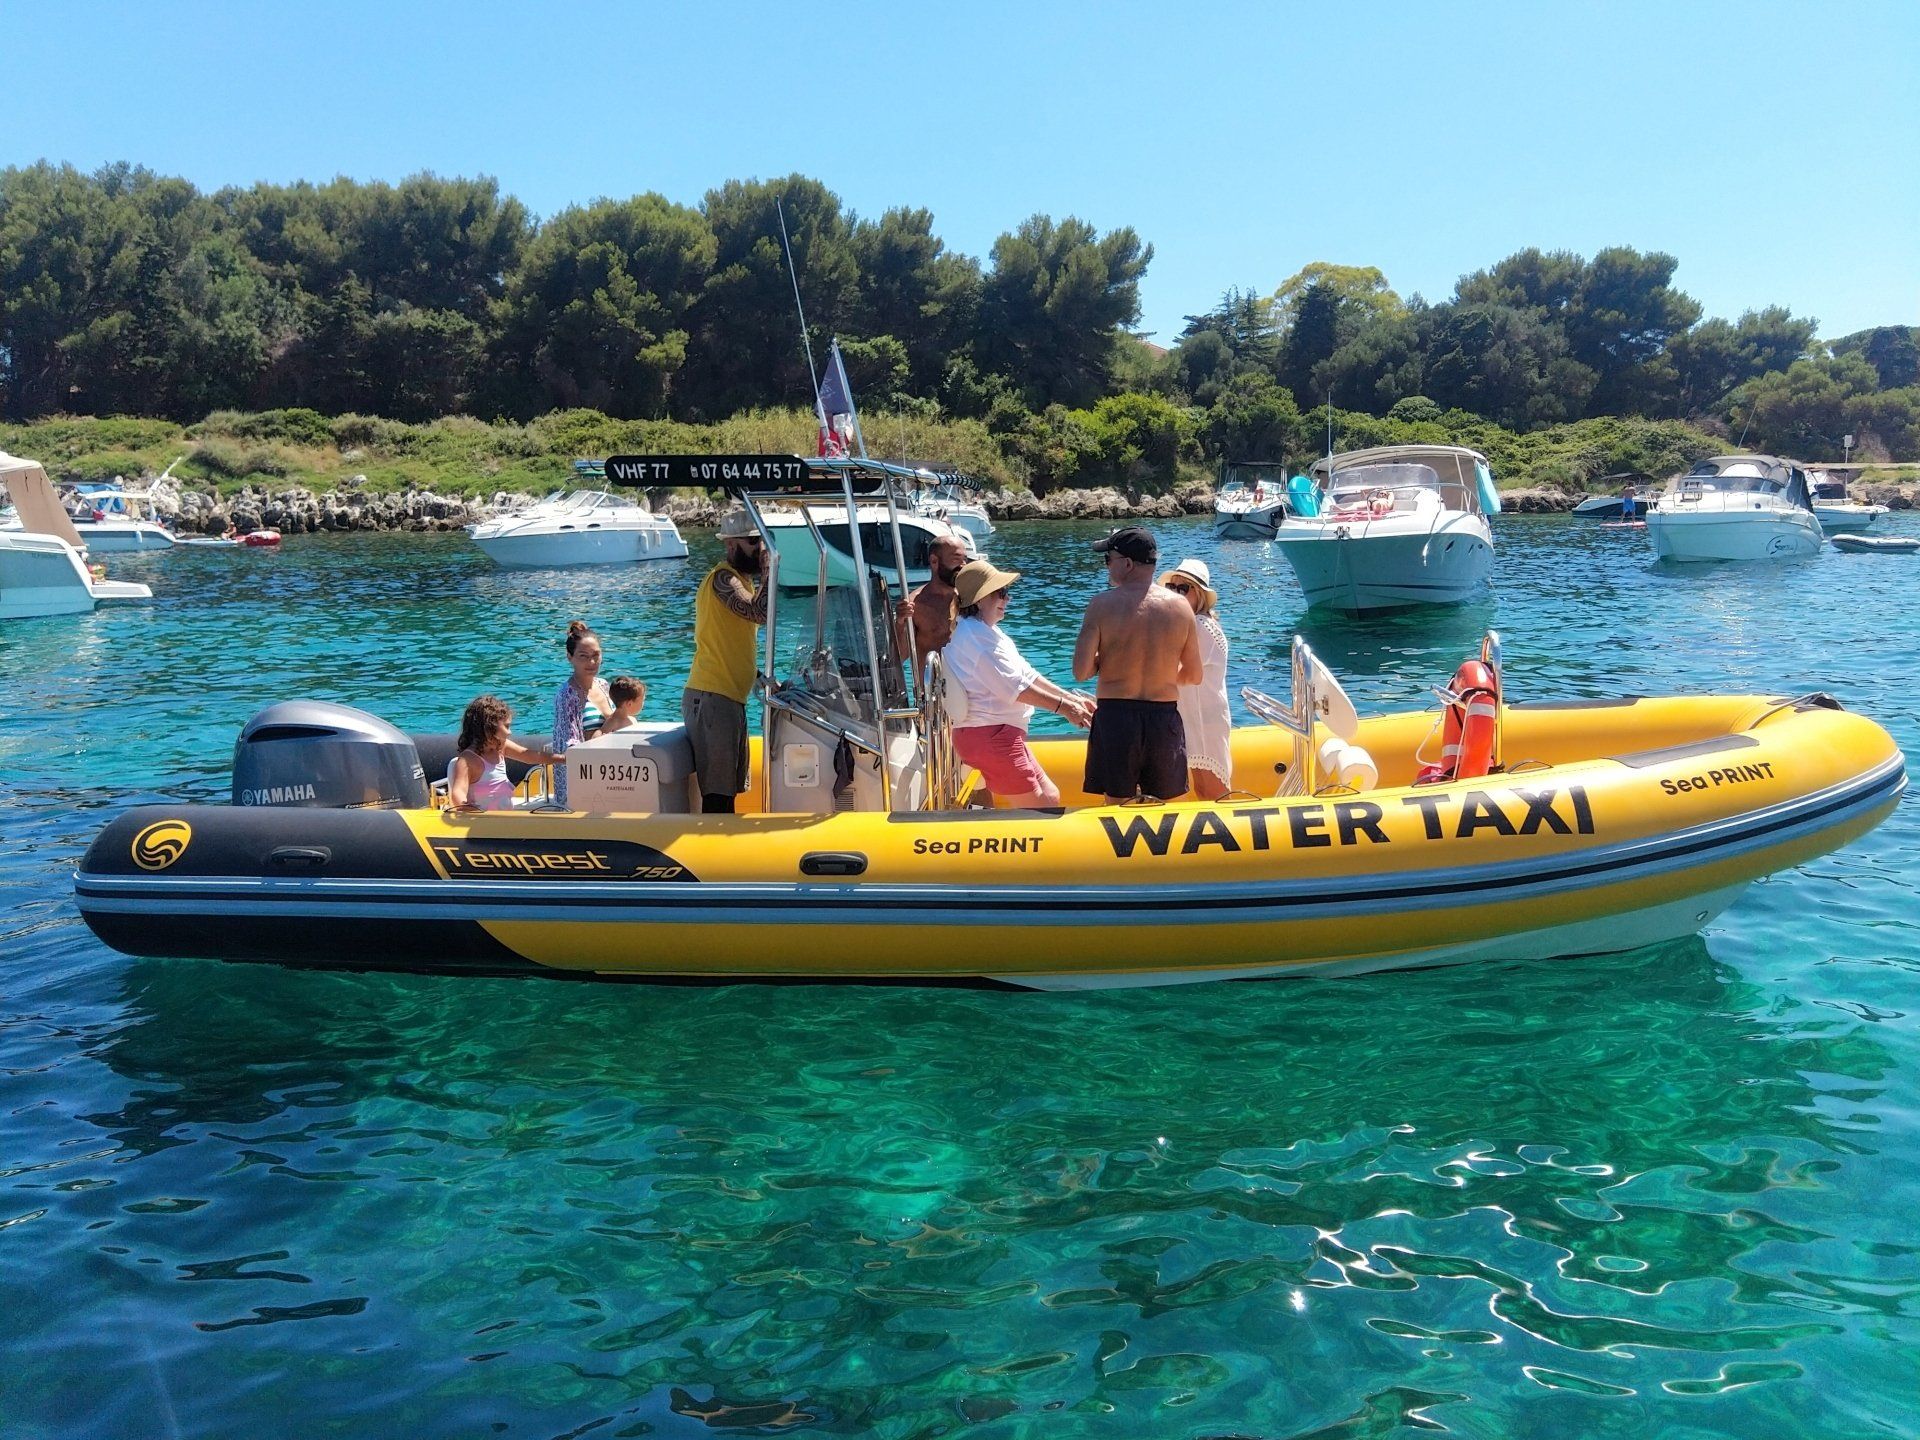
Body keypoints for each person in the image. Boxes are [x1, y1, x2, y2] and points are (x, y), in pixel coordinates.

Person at [942, 560, 1095, 808]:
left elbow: (1027, 675)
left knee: (1050, 797)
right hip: (991, 737)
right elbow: (1015, 687)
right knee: (1042, 807)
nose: (1007, 599)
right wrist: (1064, 709)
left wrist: (1071, 699)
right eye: (1000, 593)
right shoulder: (977, 636)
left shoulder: (982, 631)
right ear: (980, 599)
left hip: (996, 734)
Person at [1073, 527, 1201, 803]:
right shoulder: (1181, 608)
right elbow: (1194, 674)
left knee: (1117, 811)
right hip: (1163, 718)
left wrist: (1108, 659)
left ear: (1127, 563)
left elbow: (1081, 672)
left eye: (1109, 559)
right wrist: (1161, 671)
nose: (1106, 566)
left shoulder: (1101, 605)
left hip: (1116, 718)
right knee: (1169, 811)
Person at [683, 511, 768, 813]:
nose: (760, 549)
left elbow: (732, 638)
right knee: (719, 796)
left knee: (729, 789)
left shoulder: (742, 581)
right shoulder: (723, 579)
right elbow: (759, 613)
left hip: (728, 697)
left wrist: (759, 676)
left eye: (761, 542)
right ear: (732, 545)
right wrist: (771, 570)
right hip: (713, 697)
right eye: (754, 542)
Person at [1160, 558, 1232, 800]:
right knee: (1202, 786)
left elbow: (1182, 673)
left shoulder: (1202, 626)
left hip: (1206, 717)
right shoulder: (1185, 625)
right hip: (1192, 714)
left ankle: (1228, 833)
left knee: (1213, 789)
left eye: (1184, 588)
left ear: (1198, 594)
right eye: (1172, 588)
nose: (1176, 594)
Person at [448, 694, 558, 811]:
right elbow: (458, 792)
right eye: (506, 726)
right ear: (489, 728)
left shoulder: (500, 747)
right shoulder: (468, 760)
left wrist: (563, 758)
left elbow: (527, 755)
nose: (509, 732)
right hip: (482, 822)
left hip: (504, 819)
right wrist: (472, 811)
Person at [552, 620, 612, 807]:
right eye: (583, 656)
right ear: (570, 657)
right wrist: (610, 727)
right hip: (581, 779)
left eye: (596, 655)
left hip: (611, 768)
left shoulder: (603, 685)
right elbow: (571, 745)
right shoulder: (567, 694)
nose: (591, 662)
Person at [898, 533, 968, 683]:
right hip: (933, 697)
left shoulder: (969, 599)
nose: (963, 566)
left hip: (967, 692)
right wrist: (899, 622)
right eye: (956, 559)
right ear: (934, 561)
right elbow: (900, 656)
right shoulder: (915, 604)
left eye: (965, 560)